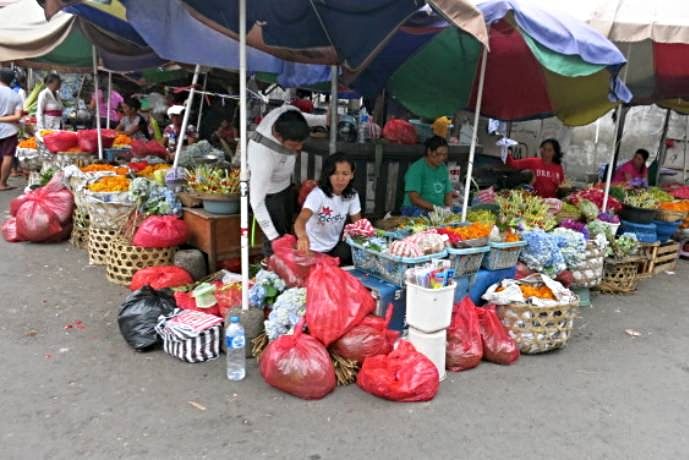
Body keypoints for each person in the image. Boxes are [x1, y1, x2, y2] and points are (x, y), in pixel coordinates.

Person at [248, 104, 311, 256]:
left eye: (301, 143)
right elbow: (256, 202)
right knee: (275, 242)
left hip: (285, 186)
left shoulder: (289, 114)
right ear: (278, 136)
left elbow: (305, 117)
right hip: (269, 194)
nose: (299, 148)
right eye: (294, 145)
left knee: (286, 230)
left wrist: (324, 119)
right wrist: (273, 237)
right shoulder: (262, 156)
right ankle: (271, 267)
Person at [294, 153, 361, 265]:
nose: (340, 179)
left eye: (345, 174)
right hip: (311, 249)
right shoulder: (317, 194)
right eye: (335, 173)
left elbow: (358, 224)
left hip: (333, 247)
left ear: (352, 175)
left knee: (351, 254)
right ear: (328, 174)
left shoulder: (352, 195)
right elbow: (300, 221)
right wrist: (302, 237)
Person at [401, 135, 453, 216]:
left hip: (438, 209)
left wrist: (448, 208)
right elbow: (414, 199)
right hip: (414, 209)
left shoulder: (443, 168)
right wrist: (436, 208)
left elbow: (448, 193)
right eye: (438, 154)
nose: (441, 158)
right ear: (429, 151)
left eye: (445, 155)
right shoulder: (417, 169)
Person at [0, 69, 23, 191]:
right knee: (7, 155)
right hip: (9, 129)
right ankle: (2, 183)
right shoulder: (15, 95)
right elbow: (18, 116)